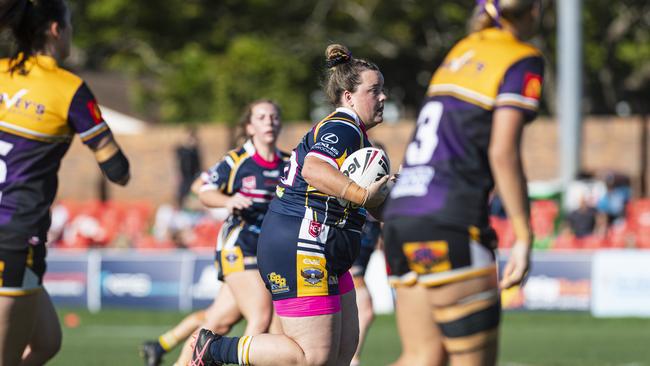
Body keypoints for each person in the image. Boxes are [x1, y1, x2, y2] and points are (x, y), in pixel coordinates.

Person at [191, 43, 390, 366]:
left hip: (327, 246)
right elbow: (314, 168)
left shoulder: (359, 138)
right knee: (313, 357)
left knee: (342, 352)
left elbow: (368, 205)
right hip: (302, 243)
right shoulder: (343, 128)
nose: (383, 98)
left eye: (383, 90)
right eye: (375, 90)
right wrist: (363, 194)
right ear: (349, 96)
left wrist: (387, 203)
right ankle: (213, 349)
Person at [383, 1, 544, 365]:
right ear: (533, 11)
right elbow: (502, 153)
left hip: (401, 213)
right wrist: (523, 234)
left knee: (422, 357)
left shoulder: (461, 50)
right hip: (449, 216)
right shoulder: (521, 57)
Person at [0, 0, 130, 364]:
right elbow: (116, 169)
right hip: (13, 237)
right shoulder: (67, 88)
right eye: (69, 26)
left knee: (47, 343)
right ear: (57, 30)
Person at [141, 100, 287, 366]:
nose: (269, 121)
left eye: (274, 117)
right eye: (262, 117)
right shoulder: (237, 161)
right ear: (249, 126)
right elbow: (203, 189)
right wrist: (227, 201)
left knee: (217, 322)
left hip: (268, 254)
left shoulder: (287, 164)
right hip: (238, 246)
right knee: (261, 316)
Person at [176, 126, 202, 208]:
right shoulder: (181, 149)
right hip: (184, 176)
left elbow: (199, 162)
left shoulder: (195, 149)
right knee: (182, 194)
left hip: (194, 175)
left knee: (195, 193)